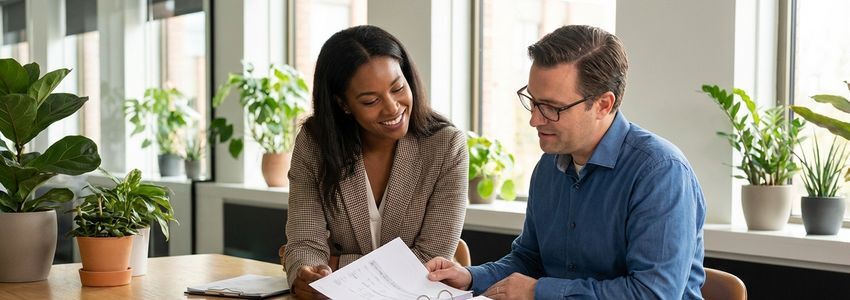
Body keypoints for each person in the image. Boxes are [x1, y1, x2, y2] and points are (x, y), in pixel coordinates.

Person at [427, 25, 706, 299]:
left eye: (552, 108)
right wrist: (471, 277)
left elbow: (653, 294)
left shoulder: (660, 172)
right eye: (533, 102)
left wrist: (539, 291)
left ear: (603, 105)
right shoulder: (549, 166)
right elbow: (529, 259)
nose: (534, 119)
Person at [283, 25, 468, 299]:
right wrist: (308, 272)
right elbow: (305, 242)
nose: (393, 107)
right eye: (370, 100)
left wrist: (336, 264)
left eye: (398, 88)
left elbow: (429, 258)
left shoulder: (446, 146)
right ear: (343, 104)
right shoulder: (315, 145)